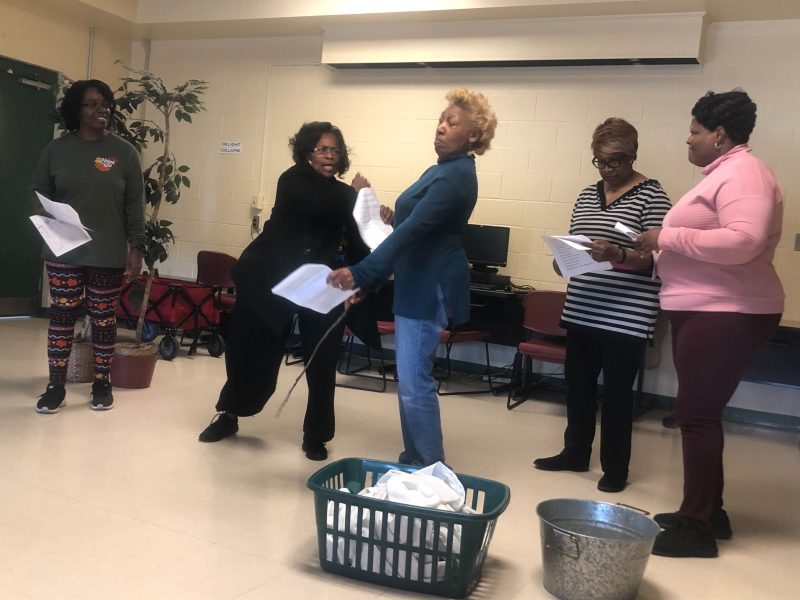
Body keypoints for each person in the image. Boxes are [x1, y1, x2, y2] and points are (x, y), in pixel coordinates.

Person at [636, 90, 784, 558]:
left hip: (727, 309)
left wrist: (667, 236)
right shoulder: (725, 173)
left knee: (695, 414)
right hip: (708, 307)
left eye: (694, 131)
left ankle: (695, 528)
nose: (688, 139)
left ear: (719, 134)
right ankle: (709, 513)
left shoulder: (744, 173)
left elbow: (744, 240)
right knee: (699, 413)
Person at [327, 88, 497, 467]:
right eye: (441, 120)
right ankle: (415, 458)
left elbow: (413, 233)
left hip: (427, 285)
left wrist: (360, 274)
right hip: (415, 279)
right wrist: (388, 230)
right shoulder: (440, 170)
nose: (441, 127)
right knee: (410, 380)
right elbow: (412, 229)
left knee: (414, 381)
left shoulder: (455, 177)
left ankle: (431, 469)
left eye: (452, 123)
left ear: (473, 135)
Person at [198, 121, 374, 461]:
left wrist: (358, 278)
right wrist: (356, 196)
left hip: (320, 281)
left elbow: (359, 239)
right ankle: (229, 415)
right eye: (322, 149)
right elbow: (318, 204)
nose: (330, 156)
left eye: (335, 150)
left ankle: (316, 435)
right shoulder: (292, 181)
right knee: (249, 350)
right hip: (270, 278)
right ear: (306, 153)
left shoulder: (344, 195)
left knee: (323, 360)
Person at [533, 118, 672, 493]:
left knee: (616, 395)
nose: (608, 169)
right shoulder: (585, 195)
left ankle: (615, 469)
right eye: (601, 161)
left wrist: (618, 254)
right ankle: (575, 453)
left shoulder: (653, 197)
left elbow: (657, 257)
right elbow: (575, 245)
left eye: (616, 161)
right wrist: (562, 260)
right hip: (582, 307)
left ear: (632, 155)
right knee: (577, 386)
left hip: (627, 316)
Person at [32, 79, 145, 413]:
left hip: (106, 251)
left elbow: (134, 205)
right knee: (62, 315)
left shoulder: (125, 152)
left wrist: (136, 246)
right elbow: (39, 191)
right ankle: (56, 386)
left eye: (105, 103)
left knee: (103, 318)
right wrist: (44, 214)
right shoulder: (56, 150)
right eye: (92, 104)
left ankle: (102, 383)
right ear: (76, 110)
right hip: (64, 249)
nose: (101, 110)